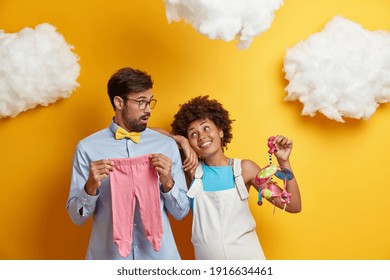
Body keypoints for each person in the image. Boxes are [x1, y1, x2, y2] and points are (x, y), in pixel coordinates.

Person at [66, 67, 191, 260]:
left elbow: (181, 212)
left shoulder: (165, 146)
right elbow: (77, 218)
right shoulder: (88, 148)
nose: (148, 109)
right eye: (141, 102)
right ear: (119, 102)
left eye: (150, 102)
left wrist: (168, 182)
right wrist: (90, 187)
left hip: (159, 261)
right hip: (109, 259)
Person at [169, 95, 302, 260]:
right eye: (193, 134)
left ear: (220, 131)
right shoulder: (191, 172)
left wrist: (284, 161)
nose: (201, 136)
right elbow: (147, 132)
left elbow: (293, 206)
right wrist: (181, 140)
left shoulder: (244, 169)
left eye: (206, 128)